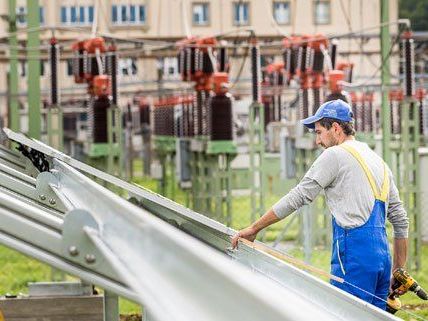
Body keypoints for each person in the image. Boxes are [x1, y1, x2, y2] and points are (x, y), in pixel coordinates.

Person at [231, 99, 409, 310]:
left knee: (342, 315)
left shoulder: (334, 155)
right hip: (382, 259)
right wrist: (398, 271)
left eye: (318, 132)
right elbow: (400, 220)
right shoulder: (378, 161)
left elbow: (298, 196)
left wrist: (254, 228)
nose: (317, 141)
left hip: (354, 259)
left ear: (335, 128)